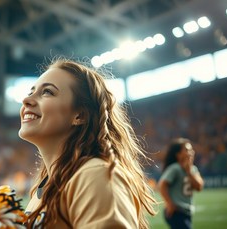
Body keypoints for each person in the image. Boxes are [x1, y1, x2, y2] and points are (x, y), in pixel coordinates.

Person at [18, 58, 157, 228]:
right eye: (31, 91)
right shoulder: (47, 184)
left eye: (47, 92)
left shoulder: (95, 174)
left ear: (79, 116)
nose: (27, 100)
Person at [158, 138, 204, 229]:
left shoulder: (193, 169)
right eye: (187, 150)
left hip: (186, 212)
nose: (191, 152)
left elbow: (199, 187)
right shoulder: (175, 168)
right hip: (176, 211)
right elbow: (162, 185)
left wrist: (189, 172)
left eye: (191, 149)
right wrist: (169, 203)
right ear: (178, 155)